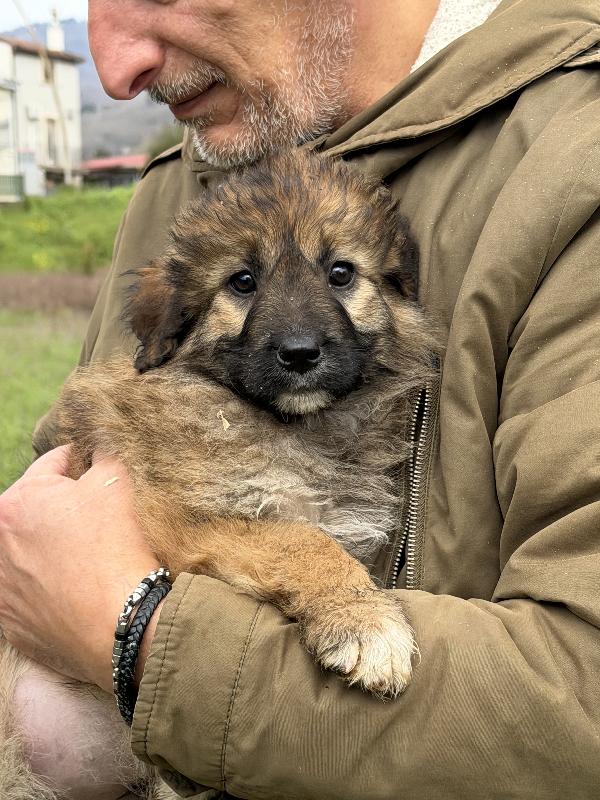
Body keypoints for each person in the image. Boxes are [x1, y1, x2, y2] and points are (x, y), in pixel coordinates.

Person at [1, 0, 600, 797]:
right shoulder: (183, 178)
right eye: (243, 286)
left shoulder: (569, 158)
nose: (114, 69)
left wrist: (142, 633)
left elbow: (578, 706)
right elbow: (58, 521)